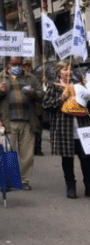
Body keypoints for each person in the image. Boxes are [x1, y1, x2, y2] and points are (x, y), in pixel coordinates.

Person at [0, 56, 42, 190]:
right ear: (8, 64)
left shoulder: (31, 78)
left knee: (27, 153)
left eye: (19, 64)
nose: (17, 66)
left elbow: (42, 95)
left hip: (28, 120)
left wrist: (34, 93)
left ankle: (24, 180)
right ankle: (8, 180)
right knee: (8, 152)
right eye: (14, 64)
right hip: (8, 120)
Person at [42, 61, 90, 198]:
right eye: (64, 69)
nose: (68, 72)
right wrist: (61, 99)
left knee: (86, 157)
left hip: (83, 127)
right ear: (59, 72)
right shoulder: (54, 87)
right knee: (67, 159)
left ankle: (88, 184)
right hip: (64, 129)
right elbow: (45, 105)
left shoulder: (79, 85)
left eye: (70, 69)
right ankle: (71, 186)